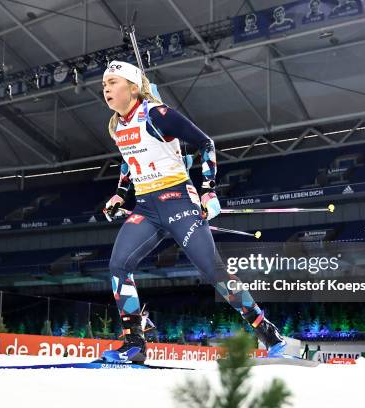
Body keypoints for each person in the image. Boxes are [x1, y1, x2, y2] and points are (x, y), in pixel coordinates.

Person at [100, 60, 286, 363]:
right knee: (118, 265)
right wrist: (121, 194)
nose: (106, 88)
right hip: (147, 207)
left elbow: (205, 143)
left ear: (133, 88)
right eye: (104, 84)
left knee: (212, 270)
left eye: (113, 82)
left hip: (179, 203)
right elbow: (127, 158)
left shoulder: (157, 114)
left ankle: (266, 330)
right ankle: (134, 343)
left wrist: (209, 189)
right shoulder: (116, 125)